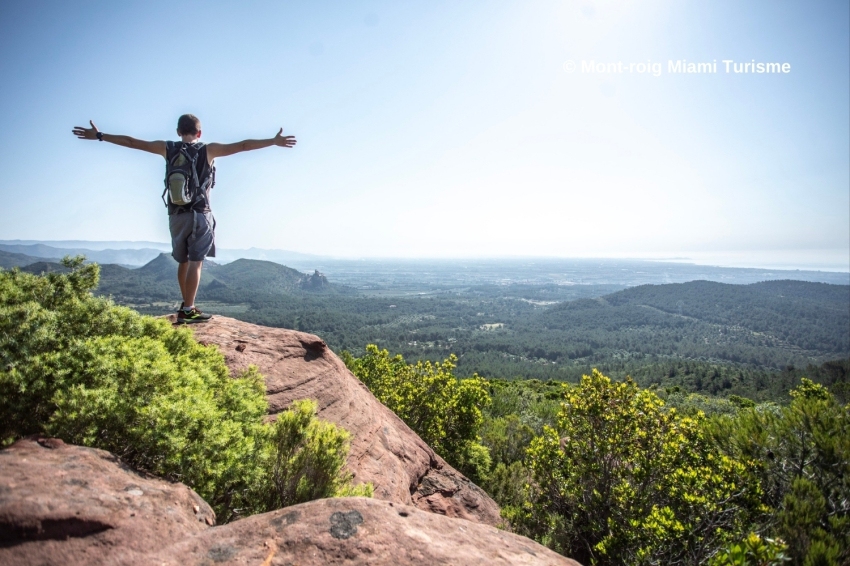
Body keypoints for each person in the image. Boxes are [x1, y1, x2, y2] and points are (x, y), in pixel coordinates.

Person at [72, 114, 296, 323]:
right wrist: (273, 141)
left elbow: (131, 142)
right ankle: (188, 309)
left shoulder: (166, 148)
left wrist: (100, 136)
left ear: (179, 131)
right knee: (196, 262)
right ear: (199, 133)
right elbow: (243, 145)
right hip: (200, 214)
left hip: (176, 215)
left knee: (183, 261)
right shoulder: (208, 150)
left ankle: (186, 305)